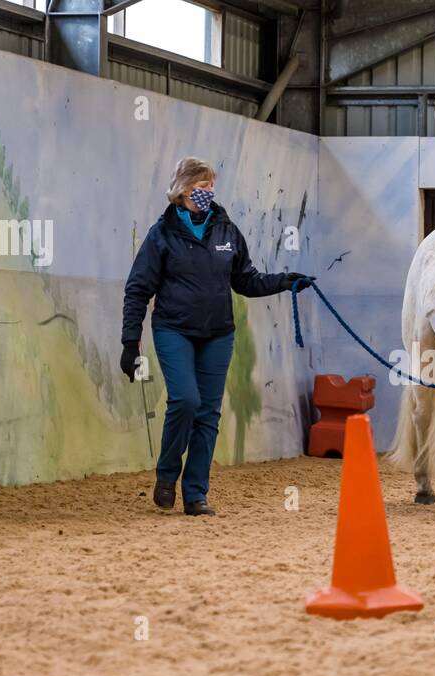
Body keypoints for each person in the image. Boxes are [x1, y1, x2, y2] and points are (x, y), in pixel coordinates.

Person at [119, 157, 315, 516]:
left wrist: (284, 281)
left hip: (218, 334)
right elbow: (137, 289)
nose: (209, 191)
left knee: (208, 413)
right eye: (202, 185)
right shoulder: (161, 235)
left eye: (211, 185)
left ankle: (195, 494)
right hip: (173, 329)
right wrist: (130, 343)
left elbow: (246, 280)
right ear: (182, 189)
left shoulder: (226, 231)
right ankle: (167, 474)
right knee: (185, 401)